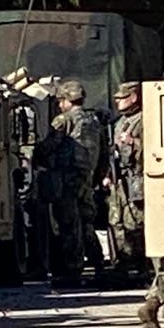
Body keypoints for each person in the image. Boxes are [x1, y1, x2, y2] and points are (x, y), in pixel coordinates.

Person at [34, 80, 105, 287]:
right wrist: (98, 176)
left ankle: (73, 270)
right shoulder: (94, 120)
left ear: (66, 100)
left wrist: (37, 156)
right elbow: (104, 152)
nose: (59, 105)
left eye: (60, 101)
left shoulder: (63, 120)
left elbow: (49, 146)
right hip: (87, 179)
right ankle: (98, 264)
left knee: (69, 224)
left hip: (66, 180)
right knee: (87, 223)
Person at [104, 82, 148, 283]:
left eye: (122, 98)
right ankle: (122, 263)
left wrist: (133, 142)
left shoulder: (145, 120)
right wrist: (108, 174)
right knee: (116, 222)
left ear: (134, 97)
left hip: (137, 178)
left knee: (136, 223)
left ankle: (143, 266)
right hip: (119, 179)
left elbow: (153, 149)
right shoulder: (120, 122)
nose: (118, 101)